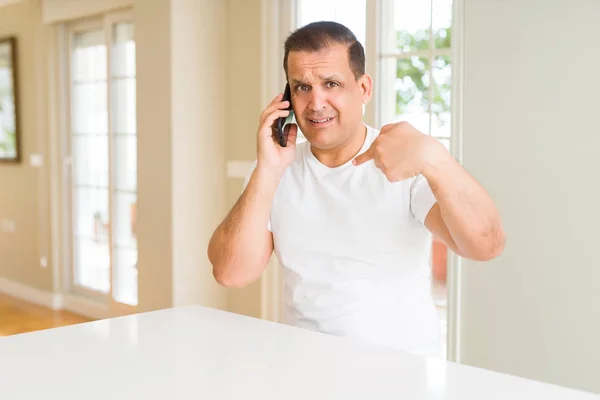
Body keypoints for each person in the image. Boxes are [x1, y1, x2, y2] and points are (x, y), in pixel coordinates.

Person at [207, 21, 505, 357]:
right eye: (302, 87)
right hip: (306, 368)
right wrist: (267, 170)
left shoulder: (406, 159)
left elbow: (486, 245)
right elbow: (231, 272)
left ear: (363, 88)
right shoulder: (276, 170)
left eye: (331, 83)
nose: (316, 102)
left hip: (399, 374)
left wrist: (435, 159)